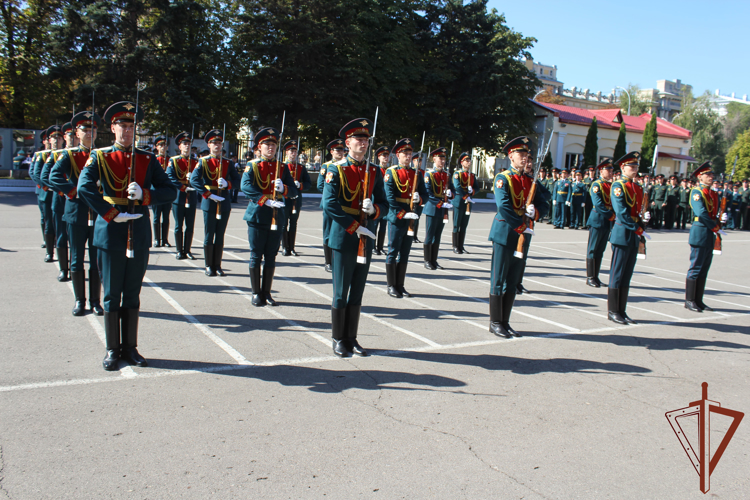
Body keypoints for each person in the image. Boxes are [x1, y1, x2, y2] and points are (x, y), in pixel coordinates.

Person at [77, 100, 177, 371]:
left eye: (132, 125)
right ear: (113, 128)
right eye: (123, 124)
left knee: (132, 292)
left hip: (139, 229)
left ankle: (130, 348)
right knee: (111, 294)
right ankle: (112, 349)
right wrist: (111, 213)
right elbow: (84, 188)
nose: (128, 130)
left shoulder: (147, 158)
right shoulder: (100, 156)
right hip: (110, 230)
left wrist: (145, 196)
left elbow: (170, 190)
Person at [321, 118, 388, 357]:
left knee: (358, 289)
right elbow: (328, 204)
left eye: (366, 139)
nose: (363, 143)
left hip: (366, 235)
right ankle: (338, 338)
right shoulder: (336, 169)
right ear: (348, 143)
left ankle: (352, 337)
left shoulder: (374, 171)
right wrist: (353, 226)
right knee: (341, 290)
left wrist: (374, 211)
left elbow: (384, 203)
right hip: (344, 235)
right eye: (358, 139)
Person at [49, 111, 104, 316]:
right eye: (85, 129)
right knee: (77, 259)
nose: (89, 133)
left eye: (93, 129)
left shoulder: (102, 154)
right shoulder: (70, 155)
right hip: (76, 213)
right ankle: (80, 301)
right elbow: (54, 176)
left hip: (98, 213)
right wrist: (73, 191)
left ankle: (96, 301)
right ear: (77, 134)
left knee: (97, 259)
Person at [241, 127, 298, 306]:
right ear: (260, 147)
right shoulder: (253, 165)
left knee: (271, 255)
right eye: (267, 145)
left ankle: (267, 292)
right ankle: (256, 292)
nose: (271, 148)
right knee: (256, 255)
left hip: (277, 215)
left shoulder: (282, 167)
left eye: (273, 145)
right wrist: (264, 200)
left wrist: (284, 189)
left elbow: (294, 190)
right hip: (258, 215)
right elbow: (246, 186)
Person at [488, 137, 536, 338]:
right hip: (506, 233)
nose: (525, 158)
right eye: (521, 154)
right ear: (511, 156)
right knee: (498, 279)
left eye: (527, 155)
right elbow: (504, 207)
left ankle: (505, 321)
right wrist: (521, 226)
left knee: (513, 279)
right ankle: (495, 322)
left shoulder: (529, 180)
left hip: (523, 235)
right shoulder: (503, 178)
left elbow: (543, 202)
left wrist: (536, 212)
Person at [190, 129, 241, 276]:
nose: (217, 146)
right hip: (210, 201)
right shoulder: (203, 161)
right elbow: (194, 180)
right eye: (214, 143)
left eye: (219, 143)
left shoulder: (228, 163)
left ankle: (217, 265)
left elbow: (238, 181)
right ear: (209, 145)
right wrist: (208, 194)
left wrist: (227, 184)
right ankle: (208, 265)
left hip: (224, 200)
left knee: (220, 235)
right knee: (209, 233)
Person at [608, 152, 651, 324]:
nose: (634, 169)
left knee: (627, 275)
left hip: (634, 234)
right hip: (623, 233)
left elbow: (637, 211)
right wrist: (638, 228)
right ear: (622, 168)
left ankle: (622, 310)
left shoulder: (638, 188)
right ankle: (613, 311)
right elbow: (622, 213)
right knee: (617, 274)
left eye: (636, 166)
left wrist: (644, 219)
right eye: (631, 166)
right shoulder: (618, 186)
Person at [384, 138, 428, 298]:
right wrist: (402, 214)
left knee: (405, 253)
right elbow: (389, 197)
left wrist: (419, 199)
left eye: (410, 154)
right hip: (397, 217)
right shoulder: (392, 172)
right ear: (397, 155)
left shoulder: (416, 173)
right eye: (405, 153)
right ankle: (391, 285)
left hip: (411, 217)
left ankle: (400, 285)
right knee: (393, 251)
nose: (408, 156)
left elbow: (425, 194)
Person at [684, 162, 727, 312]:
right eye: (708, 175)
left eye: (711, 174)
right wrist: (714, 225)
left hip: (709, 232)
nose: (711, 177)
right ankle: (689, 300)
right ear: (700, 177)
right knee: (696, 267)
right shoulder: (697, 192)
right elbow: (701, 212)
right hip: (700, 231)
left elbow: (713, 212)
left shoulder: (713, 193)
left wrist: (721, 219)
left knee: (704, 268)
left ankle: (698, 300)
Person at [514, 150, 550, 295]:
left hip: (528, 223)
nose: (528, 164)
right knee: (513, 254)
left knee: (523, 254)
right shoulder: (517, 178)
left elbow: (546, 195)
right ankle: (511, 282)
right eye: (526, 161)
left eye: (530, 162)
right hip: (515, 223)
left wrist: (534, 208)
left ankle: (518, 282)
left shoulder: (533, 181)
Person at [41, 125, 69, 278]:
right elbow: (44, 176)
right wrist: (64, 190)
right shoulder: (53, 155)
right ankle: (63, 268)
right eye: (69, 135)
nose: (72, 138)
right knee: (59, 233)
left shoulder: (86, 154)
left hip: (78, 202)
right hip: (58, 198)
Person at [166, 132, 199, 260]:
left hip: (191, 196)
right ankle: (179, 250)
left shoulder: (196, 161)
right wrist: (183, 187)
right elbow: (170, 177)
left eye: (189, 144)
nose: (187, 146)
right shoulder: (174, 161)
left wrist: (194, 181)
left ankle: (188, 250)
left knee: (190, 225)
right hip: (179, 196)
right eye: (184, 144)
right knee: (179, 224)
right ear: (179, 146)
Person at [585, 159, 615, 287]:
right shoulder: (597, 185)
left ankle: (596, 276)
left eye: (611, 170)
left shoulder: (611, 185)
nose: (610, 172)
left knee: (600, 250)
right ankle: (590, 277)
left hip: (607, 221)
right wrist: (611, 215)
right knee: (593, 249)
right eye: (608, 170)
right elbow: (598, 204)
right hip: (598, 220)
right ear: (601, 171)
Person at [317, 139, 346, 272]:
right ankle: (328, 261)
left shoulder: (346, 165)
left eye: (342, 150)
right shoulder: (326, 166)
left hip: (342, 204)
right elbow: (320, 185)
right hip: (330, 204)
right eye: (337, 150)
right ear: (331, 152)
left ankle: (338, 259)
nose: (340, 152)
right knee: (328, 232)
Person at [422, 148, 453, 270]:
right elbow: (428, 193)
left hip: (442, 209)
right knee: (430, 235)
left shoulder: (447, 175)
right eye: (440, 158)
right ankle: (427, 260)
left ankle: (434, 260)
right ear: (434, 159)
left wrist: (450, 194)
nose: (442, 161)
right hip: (433, 208)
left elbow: (453, 190)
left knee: (438, 236)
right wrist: (441, 203)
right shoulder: (429, 174)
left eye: (444, 158)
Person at [280, 140, 312, 256]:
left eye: (295, 151)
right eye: (291, 151)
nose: (293, 154)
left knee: (293, 223)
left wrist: (301, 185)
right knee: (284, 223)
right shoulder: (282, 166)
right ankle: (284, 247)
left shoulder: (301, 167)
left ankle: (292, 248)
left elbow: (308, 183)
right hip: (284, 198)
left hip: (296, 199)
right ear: (286, 153)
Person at [452, 152, 477, 253]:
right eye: (466, 161)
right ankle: (455, 246)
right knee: (456, 224)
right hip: (459, 201)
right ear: (462, 162)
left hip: (468, 202)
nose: (469, 162)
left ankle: (461, 246)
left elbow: (477, 188)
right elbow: (457, 186)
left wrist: (472, 191)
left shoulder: (472, 175)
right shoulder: (458, 174)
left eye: (469, 160)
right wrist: (466, 196)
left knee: (464, 225)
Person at [30, 130, 50, 251]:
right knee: (45, 217)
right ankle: (46, 239)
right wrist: (47, 186)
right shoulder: (40, 154)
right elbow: (34, 173)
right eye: (48, 139)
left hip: (57, 192)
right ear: (44, 141)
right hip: (43, 190)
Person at [373, 146, 390, 255]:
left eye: (387, 156)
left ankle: (380, 246)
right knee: (374, 226)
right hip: (377, 202)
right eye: (383, 156)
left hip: (386, 202)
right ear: (379, 157)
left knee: (383, 226)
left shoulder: (389, 171)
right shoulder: (375, 169)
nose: (385, 158)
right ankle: (373, 246)